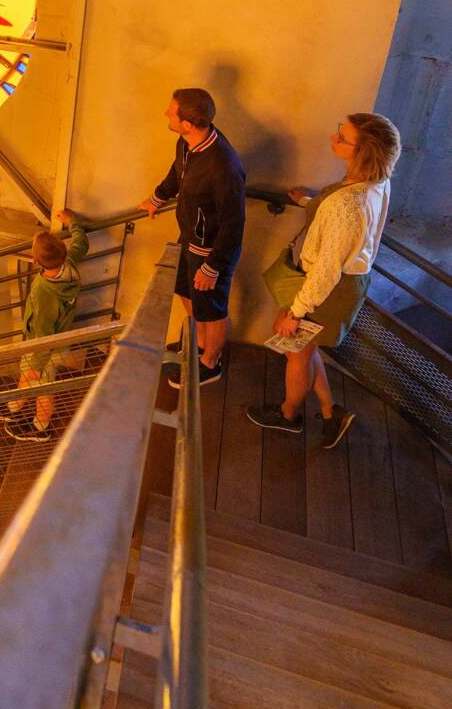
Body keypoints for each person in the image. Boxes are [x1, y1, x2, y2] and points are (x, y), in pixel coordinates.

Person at [247, 112, 401, 448]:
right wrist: (307, 201)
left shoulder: (348, 205)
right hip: (342, 285)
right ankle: (331, 414)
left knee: (295, 349)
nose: (334, 139)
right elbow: (336, 222)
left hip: (328, 289)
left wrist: (297, 312)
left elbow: (327, 269)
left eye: (342, 138)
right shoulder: (374, 183)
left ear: (363, 153)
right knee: (303, 347)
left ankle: (289, 416)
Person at [138, 88, 246, 387]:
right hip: (190, 238)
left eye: (170, 111)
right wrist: (157, 199)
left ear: (188, 123)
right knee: (187, 291)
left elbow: (234, 224)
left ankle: (211, 363)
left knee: (212, 308)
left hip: (212, 250)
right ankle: (198, 345)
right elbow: (177, 173)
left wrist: (212, 267)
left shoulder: (223, 166)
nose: (165, 114)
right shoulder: (186, 143)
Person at [0, 209, 89, 443]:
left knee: (43, 387)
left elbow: (43, 333)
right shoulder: (70, 264)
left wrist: (37, 363)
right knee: (27, 375)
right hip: (58, 338)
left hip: (43, 348)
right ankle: (14, 407)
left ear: (35, 262)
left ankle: (40, 427)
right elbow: (82, 242)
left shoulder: (44, 293)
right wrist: (73, 222)